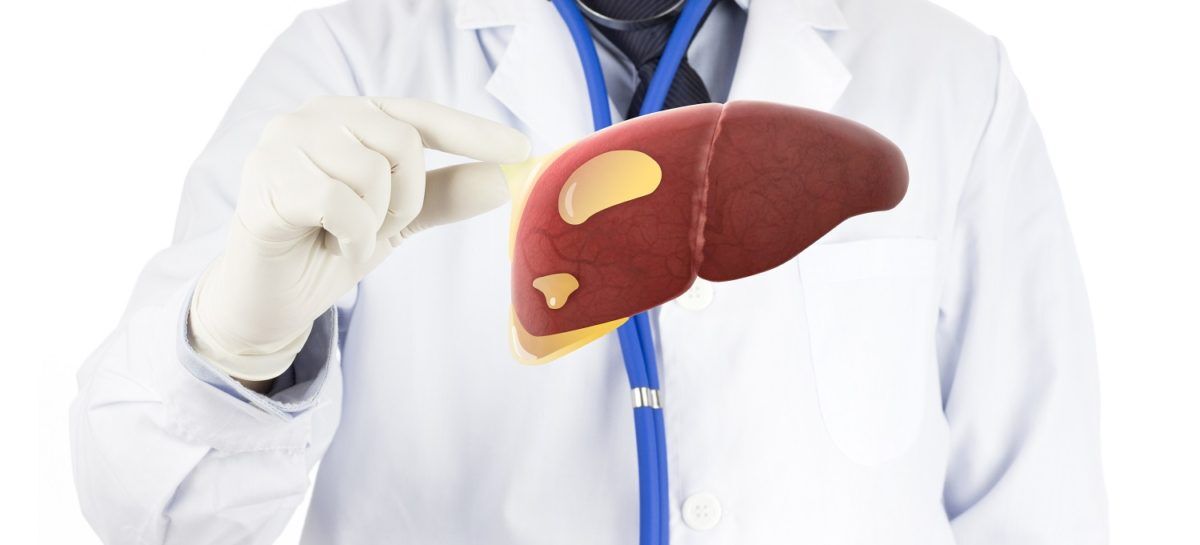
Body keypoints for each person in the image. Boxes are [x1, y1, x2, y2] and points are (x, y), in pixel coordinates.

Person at [69, 0, 1107, 543]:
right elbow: (161, 518)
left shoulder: (949, 77)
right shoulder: (350, 67)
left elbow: (1038, 503)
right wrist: (240, 348)